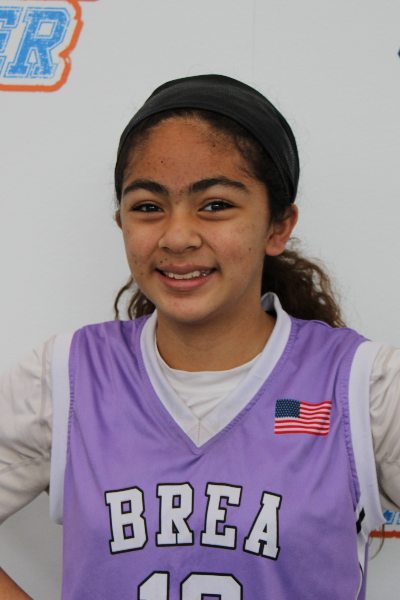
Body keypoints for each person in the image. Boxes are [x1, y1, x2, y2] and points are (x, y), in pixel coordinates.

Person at [1, 74, 400, 600]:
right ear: (121, 221)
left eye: (215, 205)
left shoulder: (364, 386)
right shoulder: (64, 378)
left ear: (277, 226)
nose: (177, 236)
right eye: (148, 206)